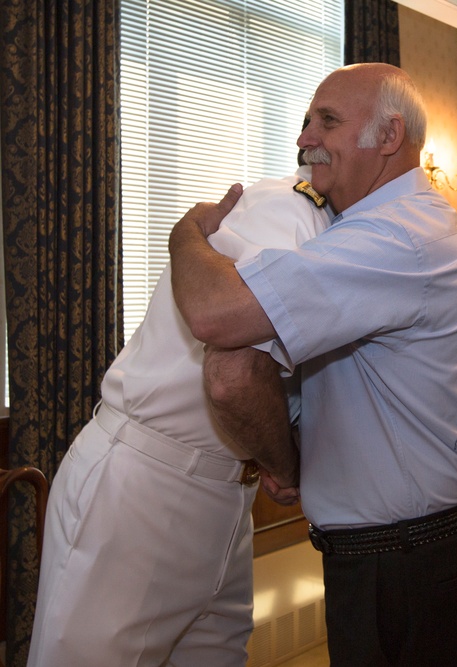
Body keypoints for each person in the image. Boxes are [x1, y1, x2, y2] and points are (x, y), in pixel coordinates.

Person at [167, 63, 457, 666]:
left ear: (388, 137)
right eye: (306, 120)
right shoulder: (386, 228)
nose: (305, 137)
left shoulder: (397, 238)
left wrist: (185, 236)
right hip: (414, 555)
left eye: (327, 121)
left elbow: (214, 316)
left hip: (416, 567)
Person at [26, 166, 334, 667]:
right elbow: (235, 375)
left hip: (226, 492)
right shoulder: (296, 209)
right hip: (148, 486)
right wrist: (284, 466)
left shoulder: (335, 229)